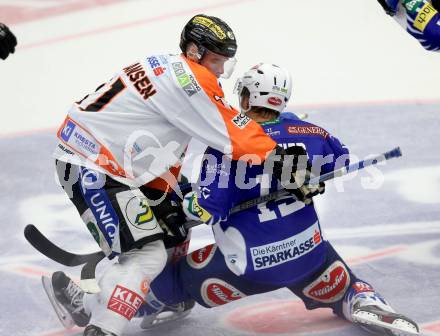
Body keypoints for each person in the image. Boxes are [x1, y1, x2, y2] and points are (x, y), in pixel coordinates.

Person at [45, 63, 419, 336]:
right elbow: (340, 159)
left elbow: (207, 206)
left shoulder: (226, 147)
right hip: (307, 255)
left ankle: (107, 305)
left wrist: (171, 213)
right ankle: (364, 300)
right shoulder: (312, 131)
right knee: (329, 268)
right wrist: (308, 179)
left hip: (249, 266)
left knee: (171, 276)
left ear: (245, 96)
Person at [47, 13, 322, 336]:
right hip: (91, 164)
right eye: (217, 60)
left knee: (175, 230)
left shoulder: (169, 66)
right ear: (194, 51)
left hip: (117, 161)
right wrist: (284, 162)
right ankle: (102, 328)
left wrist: (169, 193)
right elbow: (232, 131)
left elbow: (158, 138)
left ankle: (153, 296)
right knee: (147, 255)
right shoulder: (191, 79)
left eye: (225, 63)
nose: (220, 70)